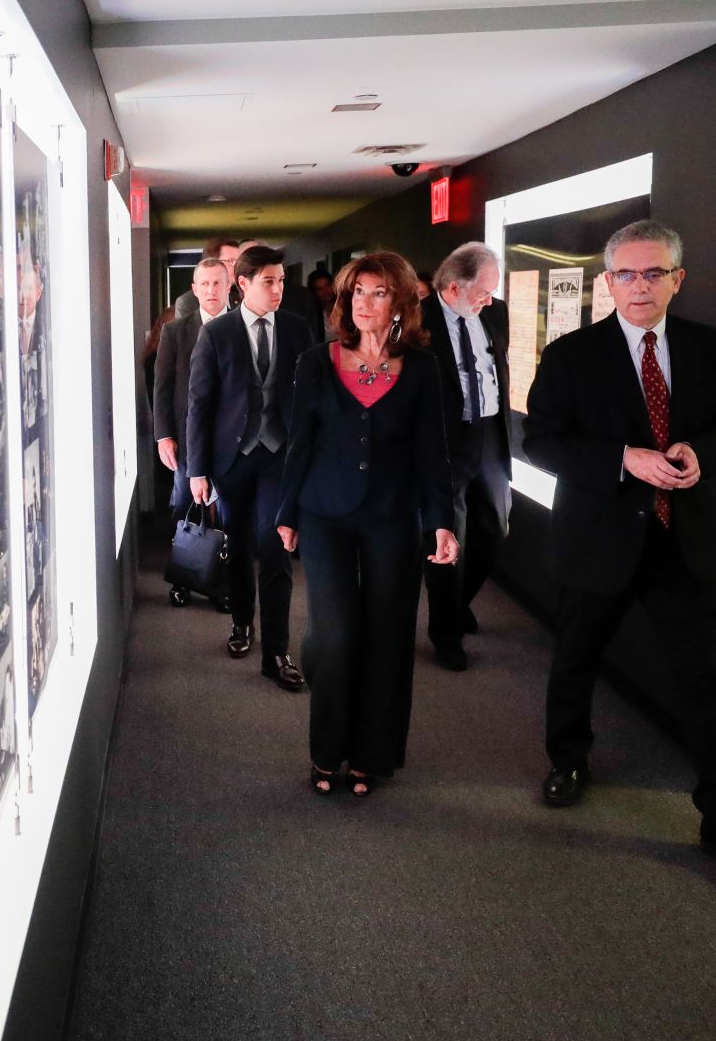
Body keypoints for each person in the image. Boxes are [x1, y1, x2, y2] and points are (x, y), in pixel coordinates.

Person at [523, 220, 716, 865]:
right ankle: (568, 762)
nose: (640, 286)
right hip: (598, 539)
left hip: (681, 539)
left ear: (677, 279)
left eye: (654, 272)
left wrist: (702, 452)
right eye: (627, 274)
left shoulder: (708, 347)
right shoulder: (571, 355)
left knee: (703, 679)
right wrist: (622, 460)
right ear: (608, 281)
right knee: (576, 660)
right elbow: (541, 441)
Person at [276, 251, 456, 796]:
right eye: (357, 292)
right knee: (333, 636)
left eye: (378, 293)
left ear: (400, 301)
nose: (364, 303)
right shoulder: (315, 361)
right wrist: (286, 512)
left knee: (387, 635)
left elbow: (433, 451)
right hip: (324, 512)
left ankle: (371, 755)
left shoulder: (422, 367)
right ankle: (326, 751)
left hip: (392, 516)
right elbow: (299, 443)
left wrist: (442, 520)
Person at [186, 246, 315, 690]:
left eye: (281, 280)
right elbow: (199, 404)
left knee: (275, 549)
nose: (278, 289)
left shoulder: (299, 329)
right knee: (240, 548)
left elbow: (311, 397)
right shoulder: (217, 334)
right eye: (268, 281)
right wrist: (197, 470)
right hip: (231, 459)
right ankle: (242, 622)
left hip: (280, 457)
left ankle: (277, 651)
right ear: (242, 284)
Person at [421, 243, 511, 670]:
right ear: (453, 287)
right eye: (481, 293)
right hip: (444, 438)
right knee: (446, 538)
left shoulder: (495, 313)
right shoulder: (417, 319)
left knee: (495, 527)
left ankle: (459, 602)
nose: (488, 301)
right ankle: (446, 633)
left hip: (490, 433)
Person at [153, 257, 232, 606]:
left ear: (230, 286)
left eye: (218, 283)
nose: (212, 290)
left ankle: (223, 585)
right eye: (205, 284)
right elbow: (162, 387)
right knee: (186, 506)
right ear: (194, 289)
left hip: (233, 438)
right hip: (187, 438)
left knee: (230, 512)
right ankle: (185, 578)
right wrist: (163, 434)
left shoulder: (242, 326)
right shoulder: (176, 331)